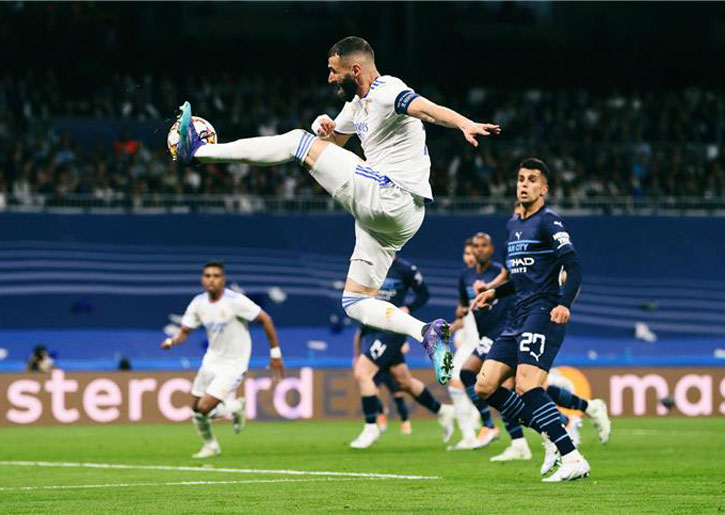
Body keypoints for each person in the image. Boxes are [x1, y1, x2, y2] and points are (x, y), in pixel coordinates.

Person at [172, 36, 500, 385]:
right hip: (399, 217)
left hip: (391, 194)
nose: (329, 78)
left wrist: (463, 123)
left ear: (355, 69)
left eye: (334, 70)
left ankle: (198, 152)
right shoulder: (356, 105)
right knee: (356, 301)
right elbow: (329, 147)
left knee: (296, 142)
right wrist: (323, 129)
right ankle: (426, 332)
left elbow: (426, 109)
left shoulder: (388, 91)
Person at [472, 158, 590, 482]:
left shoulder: (549, 222)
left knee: (527, 385)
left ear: (544, 188)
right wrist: (494, 292)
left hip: (544, 312)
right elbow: (520, 278)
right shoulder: (512, 226)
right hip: (517, 316)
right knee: (484, 386)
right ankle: (552, 432)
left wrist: (564, 303)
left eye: (532, 179)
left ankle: (572, 457)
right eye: (521, 178)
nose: (524, 184)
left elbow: (574, 267)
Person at [161, 261, 284, 458]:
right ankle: (212, 445)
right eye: (208, 276)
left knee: (204, 408)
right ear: (202, 280)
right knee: (196, 409)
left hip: (234, 364)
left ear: (223, 279)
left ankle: (235, 407)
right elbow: (185, 331)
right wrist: (172, 341)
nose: (211, 280)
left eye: (216, 276)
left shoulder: (236, 301)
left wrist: (275, 354)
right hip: (211, 360)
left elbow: (265, 319)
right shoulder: (198, 303)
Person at [350, 256, 454, 449]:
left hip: (391, 329)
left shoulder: (405, 269)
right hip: (372, 329)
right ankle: (442, 411)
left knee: (363, 372)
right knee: (403, 381)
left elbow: (424, 294)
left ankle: (371, 427)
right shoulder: (369, 265)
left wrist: (409, 307)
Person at [448, 233, 511, 450]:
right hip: (483, 335)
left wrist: (490, 287)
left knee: (469, 373)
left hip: (501, 332)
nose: (480, 249)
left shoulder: (501, 273)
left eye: (484, 245)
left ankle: (489, 426)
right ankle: (497, 431)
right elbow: (464, 306)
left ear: (491, 249)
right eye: (476, 246)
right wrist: (460, 312)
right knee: (517, 390)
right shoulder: (465, 275)